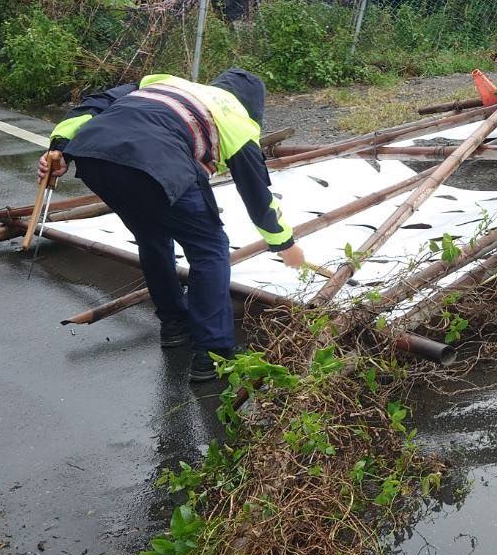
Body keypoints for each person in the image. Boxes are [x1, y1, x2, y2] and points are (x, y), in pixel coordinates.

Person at [38, 69, 305, 382]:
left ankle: (174, 325)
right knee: (209, 247)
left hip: (94, 156)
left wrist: (59, 147)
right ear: (253, 106)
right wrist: (283, 243)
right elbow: (257, 195)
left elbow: (94, 103)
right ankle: (212, 352)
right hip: (159, 161)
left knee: (151, 234)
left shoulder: (164, 82)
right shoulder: (237, 118)